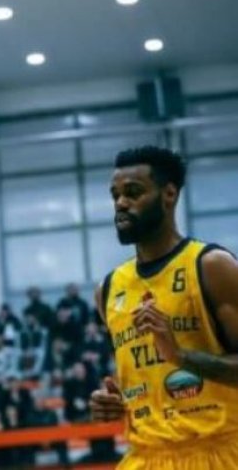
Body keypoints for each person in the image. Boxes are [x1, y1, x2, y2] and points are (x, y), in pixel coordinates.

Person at [90, 146, 238, 469]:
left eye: (133, 193)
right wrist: (114, 401)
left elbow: (174, 359)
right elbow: (148, 373)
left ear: (169, 194)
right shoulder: (109, 289)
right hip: (145, 456)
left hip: (219, 452)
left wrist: (181, 356)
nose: (121, 203)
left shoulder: (212, 266)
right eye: (115, 195)